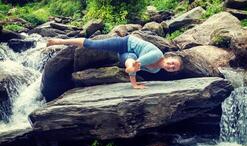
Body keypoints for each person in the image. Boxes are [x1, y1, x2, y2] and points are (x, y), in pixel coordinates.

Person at [47, 35, 182, 89]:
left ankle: (128, 66)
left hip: (129, 56)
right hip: (124, 43)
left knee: (131, 62)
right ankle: (59, 41)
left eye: (173, 68)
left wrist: (134, 85)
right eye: (172, 63)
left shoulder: (155, 70)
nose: (170, 66)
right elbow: (137, 64)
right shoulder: (157, 54)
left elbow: (136, 66)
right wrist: (132, 71)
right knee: (92, 45)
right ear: (169, 57)